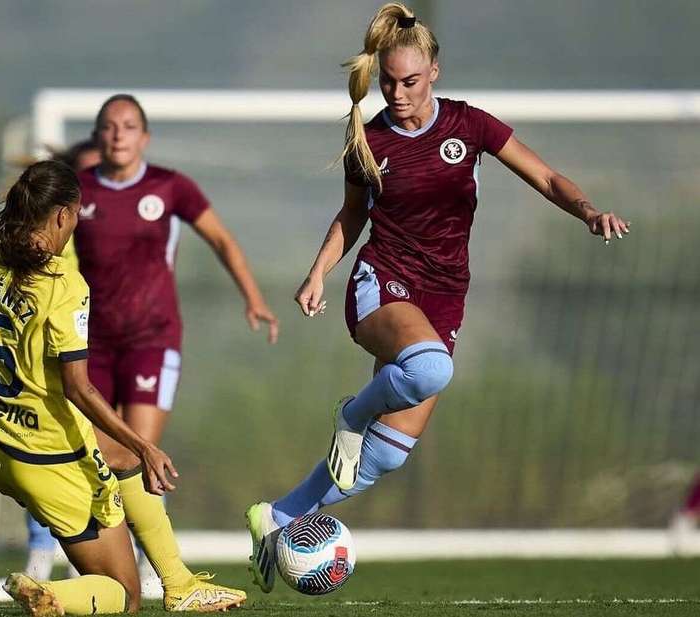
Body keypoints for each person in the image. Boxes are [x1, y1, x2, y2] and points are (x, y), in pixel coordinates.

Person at [246, 2, 630, 592]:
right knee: (429, 369)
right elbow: (353, 218)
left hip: (446, 293)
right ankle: (351, 413)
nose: (398, 94)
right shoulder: (368, 140)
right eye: (389, 82)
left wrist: (587, 211)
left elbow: (547, 178)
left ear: (435, 72)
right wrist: (318, 271)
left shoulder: (469, 125)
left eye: (410, 81)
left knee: (391, 453)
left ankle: (276, 517)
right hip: (384, 281)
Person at [0, 160, 246, 614]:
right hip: (47, 456)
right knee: (124, 593)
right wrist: (147, 445)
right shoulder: (63, 283)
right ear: (62, 215)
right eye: (77, 213)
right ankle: (51, 595)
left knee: (119, 458)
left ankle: (180, 583)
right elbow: (79, 389)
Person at [74, 93, 278, 596]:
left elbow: (223, 240)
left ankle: (155, 568)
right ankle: (103, 566)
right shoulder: (76, 192)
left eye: (129, 126)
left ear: (145, 138)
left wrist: (253, 298)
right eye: (109, 126)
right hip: (91, 345)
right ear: (98, 137)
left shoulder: (169, 186)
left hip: (152, 340)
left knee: (140, 457)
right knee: (94, 458)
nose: (119, 133)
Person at [0, 138, 103, 604]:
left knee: (82, 456)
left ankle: (67, 563)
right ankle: (47, 564)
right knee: (67, 452)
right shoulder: (55, 261)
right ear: (63, 210)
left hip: (71, 346)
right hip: (50, 356)